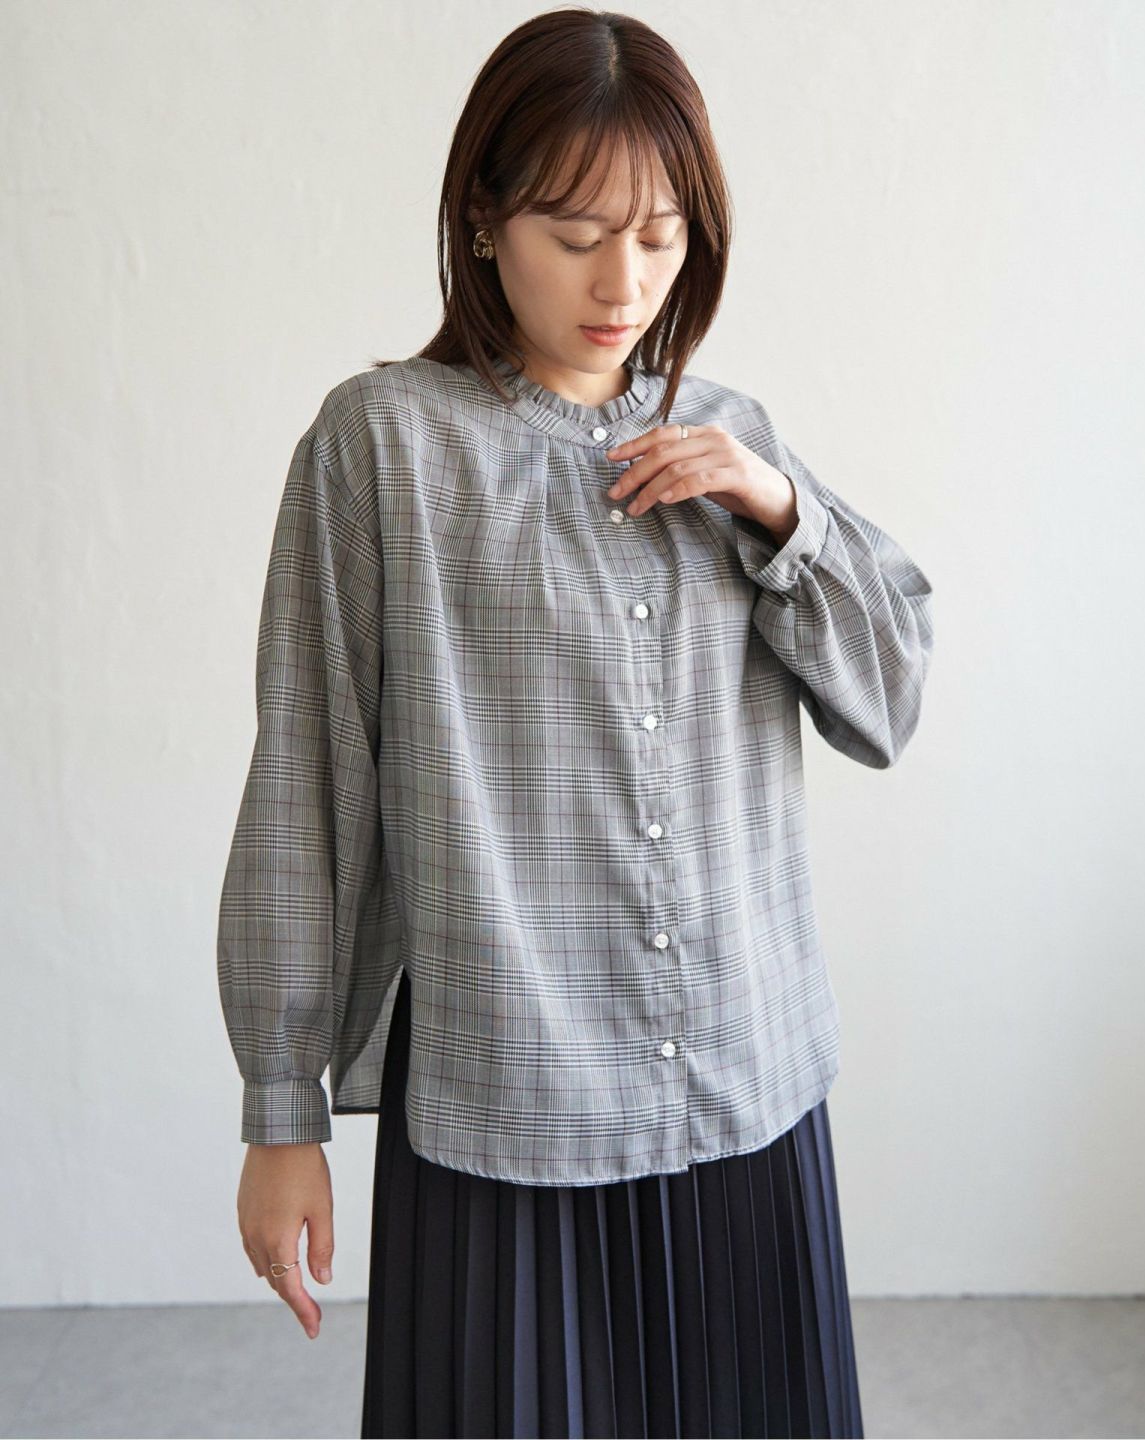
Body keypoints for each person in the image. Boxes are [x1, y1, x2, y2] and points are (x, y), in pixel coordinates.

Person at [217, 8, 935, 1437]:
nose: (625, 282)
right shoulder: (384, 446)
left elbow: (891, 698)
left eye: (661, 236)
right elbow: (305, 782)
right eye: (576, 234)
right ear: (484, 221)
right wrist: (279, 1112)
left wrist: (779, 510)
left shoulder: (731, 439)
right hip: (511, 1100)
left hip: (743, 1091)